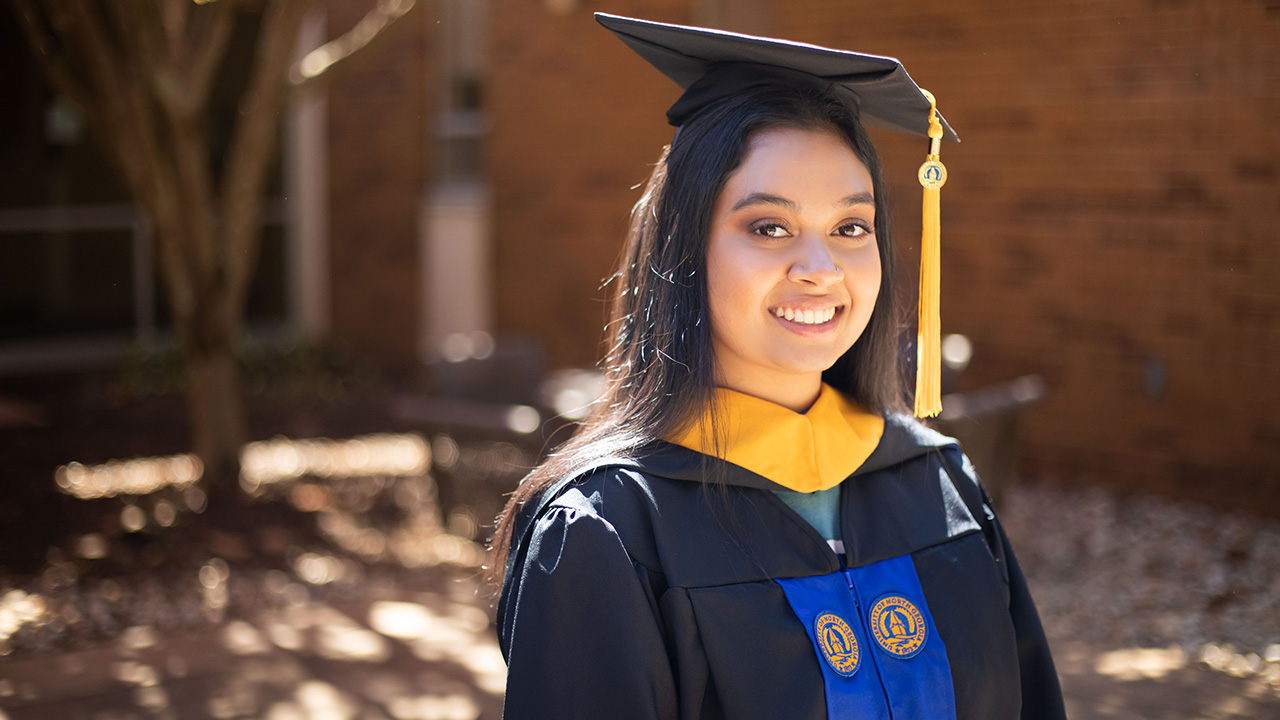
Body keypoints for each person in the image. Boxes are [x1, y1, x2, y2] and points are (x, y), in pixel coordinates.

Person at [490, 13, 1066, 720]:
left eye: (851, 227)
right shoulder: (608, 532)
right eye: (769, 227)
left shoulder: (940, 483)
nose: (821, 268)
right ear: (684, 252)